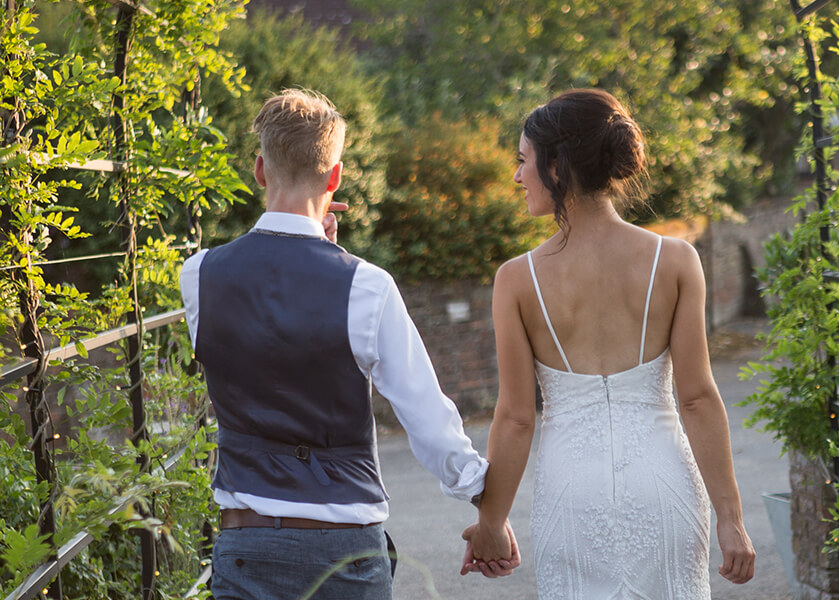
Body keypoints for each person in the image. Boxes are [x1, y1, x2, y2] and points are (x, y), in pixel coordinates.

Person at [179, 89, 518, 600]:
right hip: (344, 553)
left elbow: (263, 350)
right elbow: (426, 415)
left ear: (259, 169)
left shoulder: (199, 275)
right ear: (335, 177)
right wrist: (484, 504)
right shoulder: (367, 287)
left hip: (245, 544)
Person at [460, 89, 756, 598]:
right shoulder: (677, 260)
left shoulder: (516, 280)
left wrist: (491, 523)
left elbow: (515, 418)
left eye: (522, 160)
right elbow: (698, 398)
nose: (516, 175)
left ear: (557, 165)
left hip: (573, 496)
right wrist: (731, 519)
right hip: (663, 487)